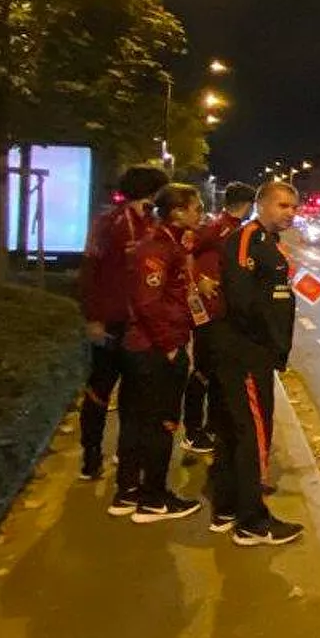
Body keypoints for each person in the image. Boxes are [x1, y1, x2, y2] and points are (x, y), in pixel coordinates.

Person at [208, 181, 305, 546]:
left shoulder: (267, 242)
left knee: (237, 431)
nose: (290, 213)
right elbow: (243, 300)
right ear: (261, 205)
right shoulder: (247, 239)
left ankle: (230, 506)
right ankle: (252, 520)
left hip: (252, 352)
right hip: (247, 353)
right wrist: (269, 343)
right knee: (254, 433)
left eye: (294, 207)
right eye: (282, 205)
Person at [109, 183, 206, 522]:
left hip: (142, 348)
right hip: (154, 350)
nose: (200, 213)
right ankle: (154, 498)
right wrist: (169, 347)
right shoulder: (158, 249)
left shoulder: (166, 244)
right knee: (161, 423)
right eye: (196, 207)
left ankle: (128, 492)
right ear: (178, 211)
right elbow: (148, 304)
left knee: (135, 420)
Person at [75, 164, 170, 482]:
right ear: (152, 193)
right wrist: (93, 318)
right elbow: (89, 272)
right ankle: (91, 456)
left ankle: (124, 454)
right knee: (100, 390)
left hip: (135, 323)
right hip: (112, 321)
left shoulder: (149, 223)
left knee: (133, 393)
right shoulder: (109, 224)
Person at [183, 182, 258, 455]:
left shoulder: (238, 230)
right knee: (203, 370)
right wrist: (198, 280)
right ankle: (192, 431)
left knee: (218, 371)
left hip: (224, 312)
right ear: (249, 205)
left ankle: (212, 426)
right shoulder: (218, 227)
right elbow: (185, 251)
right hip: (209, 312)